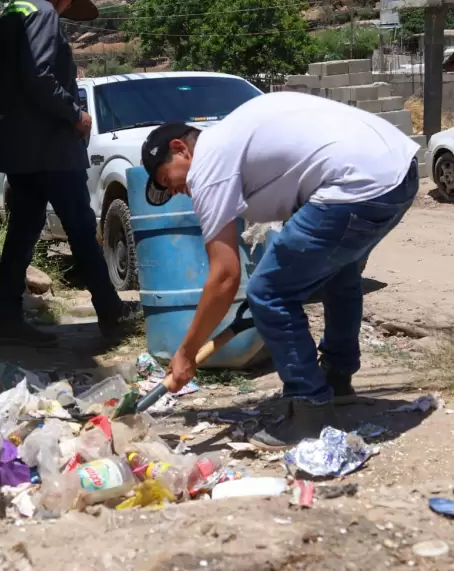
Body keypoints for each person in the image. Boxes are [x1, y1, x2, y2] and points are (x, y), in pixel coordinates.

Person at [140, 91, 420, 449]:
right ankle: (336, 379)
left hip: (355, 184)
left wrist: (186, 351)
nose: (177, 191)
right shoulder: (236, 137)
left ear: (181, 149)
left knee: (268, 293)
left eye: (167, 179)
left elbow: (225, 277)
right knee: (340, 274)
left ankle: (310, 410)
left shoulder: (208, 164)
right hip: (398, 171)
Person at [0, 0, 130, 345]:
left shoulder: (11, 14)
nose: (69, 0)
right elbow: (39, 75)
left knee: (22, 230)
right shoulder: (44, 13)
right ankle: (110, 313)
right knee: (82, 229)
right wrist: (76, 115)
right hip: (52, 146)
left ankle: (9, 319)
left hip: (20, 147)